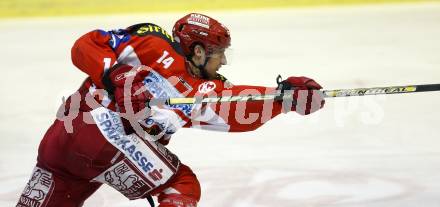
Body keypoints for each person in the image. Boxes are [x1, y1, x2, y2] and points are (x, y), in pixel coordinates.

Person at [16, 13, 325, 207]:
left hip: (60, 140)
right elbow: (85, 44)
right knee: (182, 185)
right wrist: (117, 75)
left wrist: (284, 98)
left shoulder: (151, 45)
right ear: (199, 50)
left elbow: (240, 109)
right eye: (219, 54)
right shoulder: (158, 49)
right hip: (106, 142)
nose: (224, 62)